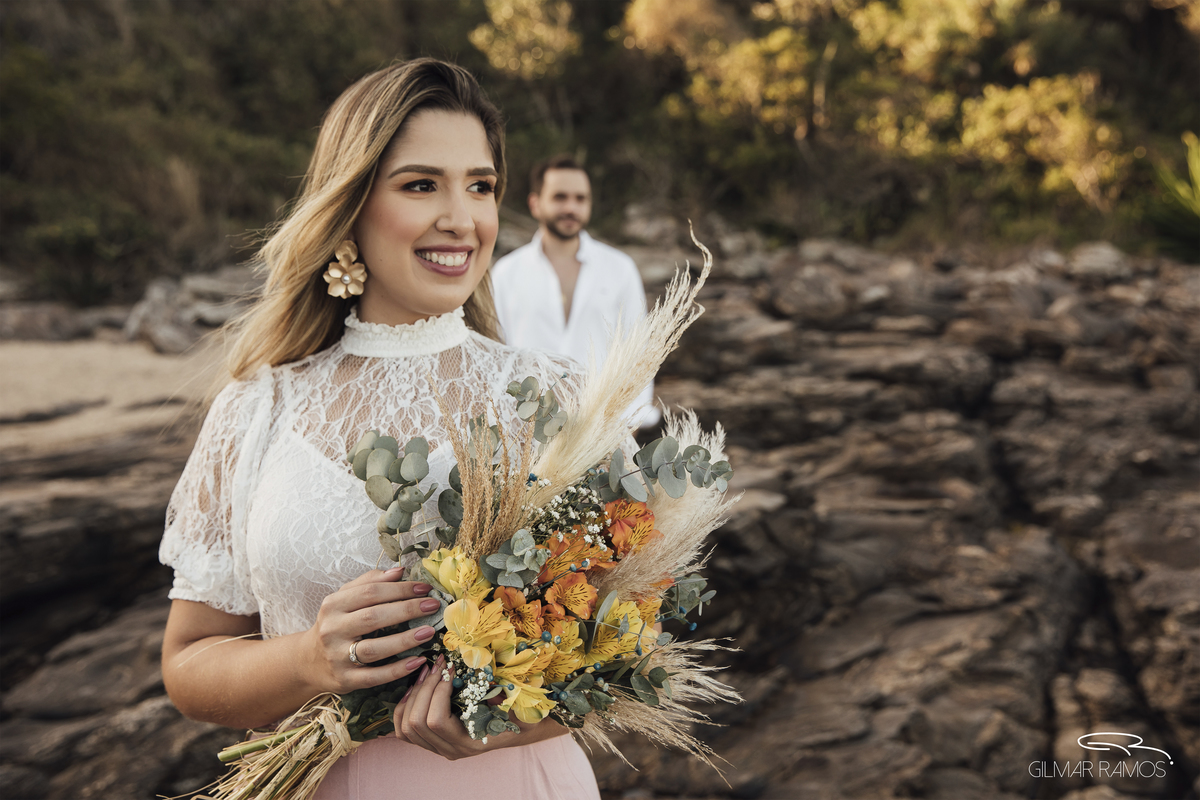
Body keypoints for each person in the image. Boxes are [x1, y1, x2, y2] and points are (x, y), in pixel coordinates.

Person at [159, 59, 601, 800]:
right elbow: (189, 664)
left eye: (480, 186)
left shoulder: (557, 399)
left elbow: (633, 645)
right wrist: (307, 660)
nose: (461, 218)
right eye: (421, 185)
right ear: (351, 204)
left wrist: (504, 720)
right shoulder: (256, 409)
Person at [490, 156, 660, 431]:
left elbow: (639, 353)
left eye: (580, 198)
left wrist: (627, 426)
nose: (571, 207)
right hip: (524, 430)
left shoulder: (620, 269)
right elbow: (495, 354)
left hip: (601, 431)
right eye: (560, 197)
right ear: (535, 203)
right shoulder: (506, 273)